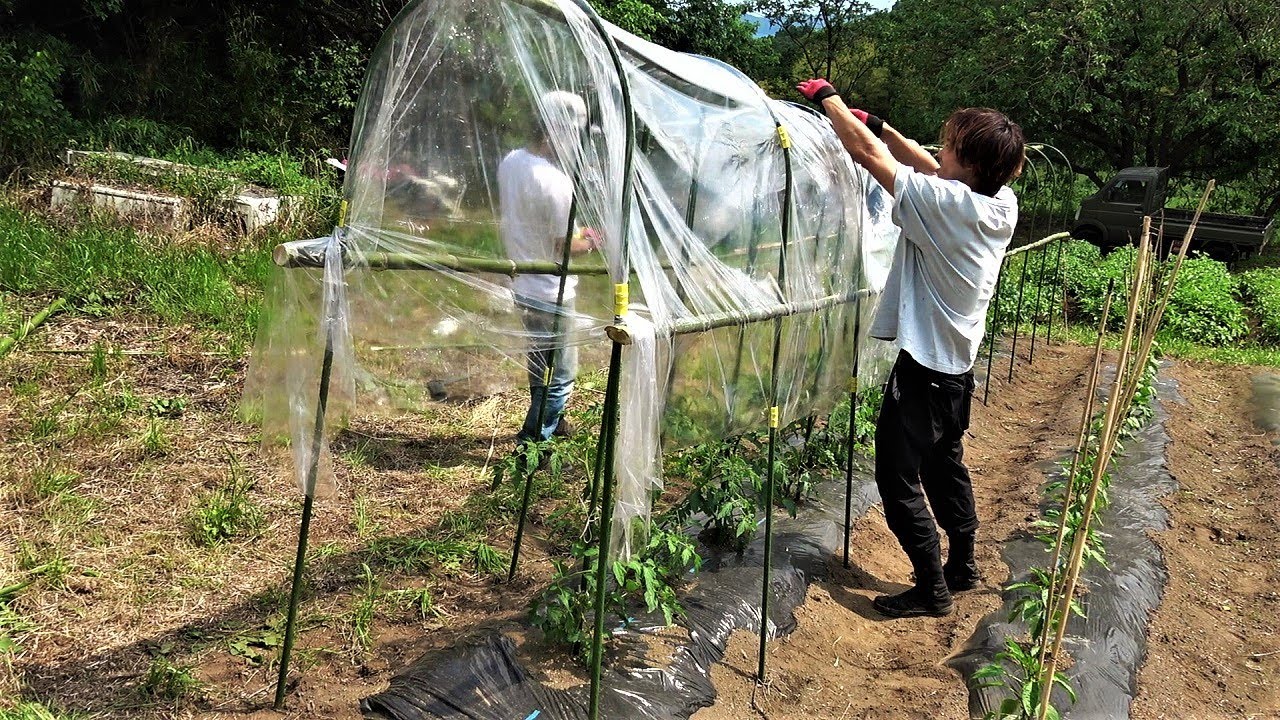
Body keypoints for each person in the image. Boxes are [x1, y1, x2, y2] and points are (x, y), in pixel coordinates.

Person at [796, 79, 1025, 619]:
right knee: (945, 465)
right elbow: (923, 163)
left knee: (896, 479)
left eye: (950, 146)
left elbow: (865, 155)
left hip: (923, 373)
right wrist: (879, 123)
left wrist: (827, 98)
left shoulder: (946, 205)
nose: (939, 152)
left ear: (968, 165)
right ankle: (962, 565)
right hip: (957, 370)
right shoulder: (999, 203)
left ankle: (930, 589)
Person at [498, 91, 601, 444]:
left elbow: (535, 223)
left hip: (522, 285)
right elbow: (563, 245)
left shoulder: (511, 162)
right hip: (550, 291)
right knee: (561, 374)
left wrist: (573, 232)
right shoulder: (556, 183)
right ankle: (533, 442)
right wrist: (590, 241)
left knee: (539, 363)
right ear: (557, 132)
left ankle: (553, 423)